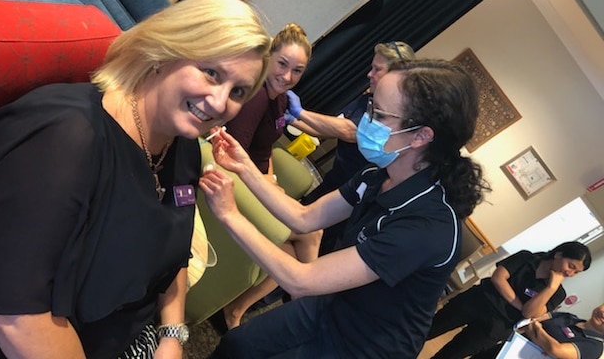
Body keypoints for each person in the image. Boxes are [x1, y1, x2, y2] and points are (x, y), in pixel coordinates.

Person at [0, 0, 271, 358]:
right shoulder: (65, 137)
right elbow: (14, 313)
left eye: (238, 92)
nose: (220, 103)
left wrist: (172, 334)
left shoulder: (181, 146)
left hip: (129, 336)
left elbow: (174, 255)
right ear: (164, 52)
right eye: (211, 72)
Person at [200, 58, 492, 358]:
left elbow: (300, 279)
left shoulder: (428, 227)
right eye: (370, 107)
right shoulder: (380, 175)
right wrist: (244, 166)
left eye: (379, 114)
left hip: (366, 345)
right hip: (335, 304)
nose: (365, 121)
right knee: (238, 345)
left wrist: (229, 214)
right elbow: (304, 217)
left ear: (420, 136)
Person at [219, 23, 320, 331]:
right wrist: (266, 186)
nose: (287, 76)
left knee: (291, 252)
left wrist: (272, 179)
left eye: (297, 71)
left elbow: (268, 148)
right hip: (242, 178)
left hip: (261, 181)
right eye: (282, 65)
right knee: (313, 234)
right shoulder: (258, 96)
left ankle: (235, 310)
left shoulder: (280, 98)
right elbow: (236, 153)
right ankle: (307, 305)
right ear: (269, 56)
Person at [287, 40, 416, 255]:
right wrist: (288, 118)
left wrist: (300, 113)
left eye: (377, 69)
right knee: (291, 229)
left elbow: (349, 131)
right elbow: (329, 128)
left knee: (306, 248)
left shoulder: (395, 115)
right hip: (333, 182)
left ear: (396, 76)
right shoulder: (368, 99)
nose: (369, 74)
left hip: (352, 202)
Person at [427, 241, 592, 359]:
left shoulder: (557, 293)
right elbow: (498, 278)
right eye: (571, 266)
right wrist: (520, 305)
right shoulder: (526, 258)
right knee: (427, 330)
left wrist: (550, 288)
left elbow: (530, 313)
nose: (570, 274)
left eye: (576, 272)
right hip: (477, 301)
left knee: (451, 355)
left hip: (496, 327)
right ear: (558, 254)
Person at [473, 303, 604, 359]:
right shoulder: (569, 317)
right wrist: (539, 336)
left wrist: (538, 330)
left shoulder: (595, 346)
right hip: (504, 350)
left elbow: (556, 349)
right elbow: (531, 320)